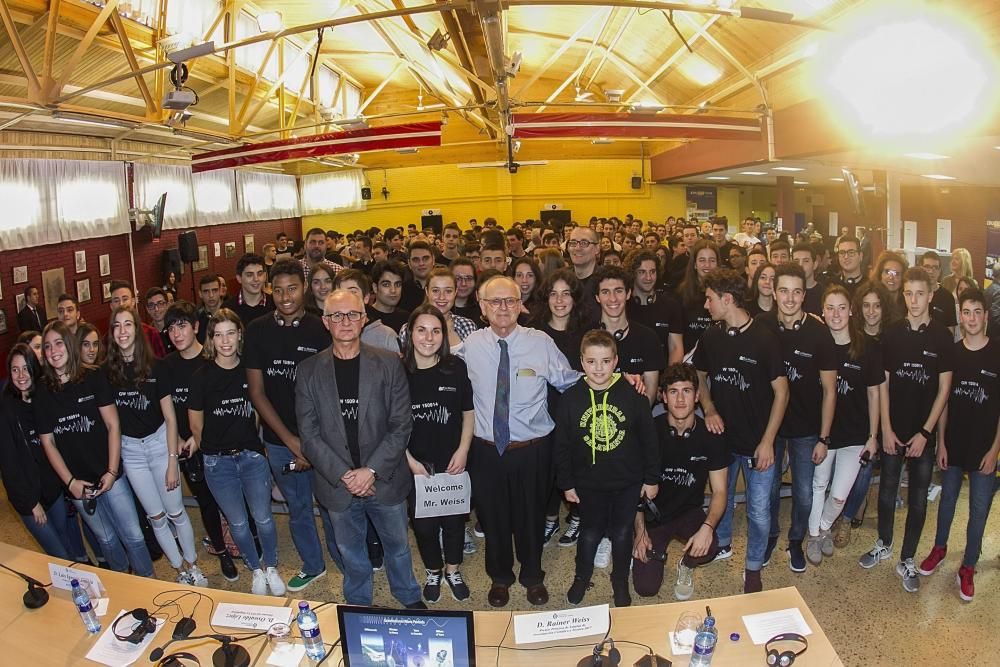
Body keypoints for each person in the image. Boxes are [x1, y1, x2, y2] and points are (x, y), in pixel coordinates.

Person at [458, 275, 582, 608]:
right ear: (482, 307)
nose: (503, 308)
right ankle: (499, 578)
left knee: (531, 518)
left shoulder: (540, 342)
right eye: (495, 302)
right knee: (493, 518)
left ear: (520, 305)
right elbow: (434, 367)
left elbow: (568, 381)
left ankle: (532, 576)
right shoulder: (469, 346)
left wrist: (612, 379)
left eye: (510, 301)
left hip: (533, 450)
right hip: (486, 451)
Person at [296, 290, 424, 608]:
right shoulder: (309, 371)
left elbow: (401, 425)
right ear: (325, 322)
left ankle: (407, 595)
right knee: (350, 551)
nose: (345, 321)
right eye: (337, 315)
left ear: (364, 318)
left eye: (353, 314)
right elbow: (309, 436)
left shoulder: (388, 364)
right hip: (336, 483)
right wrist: (345, 475)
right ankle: (358, 602)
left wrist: (370, 471)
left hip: (385, 478)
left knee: (397, 546)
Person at [244, 260, 343, 593]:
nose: (286, 296)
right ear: (270, 290)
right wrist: (290, 441)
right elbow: (257, 393)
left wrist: (311, 443)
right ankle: (313, 565)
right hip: (278, 440)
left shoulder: (320, 328)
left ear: (305, 288)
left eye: (293, 288)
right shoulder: (257, 330)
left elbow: (332, 390)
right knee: (299, 507)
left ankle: (344, 560)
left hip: (323, 440)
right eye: (279, 289)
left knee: (332, 506)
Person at [858, 268, 953, 593]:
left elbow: (944, 389)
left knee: (918, 500)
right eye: (908, 294)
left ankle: (908, 558)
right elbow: (882, 383)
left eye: (920, 294)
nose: (914, 300)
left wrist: (926, 434)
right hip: (893, 431)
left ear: (930, 294)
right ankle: (883, 542)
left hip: (922, 436)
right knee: (885, 492)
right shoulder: (893, 333)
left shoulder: (942, 336)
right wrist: (885, 428)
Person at [693, 269, 788, 593]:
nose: (706, 305)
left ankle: (753, 566)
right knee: (724, 498)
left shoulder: (765, 338)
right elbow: (700, 376)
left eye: (710, 299)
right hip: (722, 441)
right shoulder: (711, 336)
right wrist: (709, 409)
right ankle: (722, 544)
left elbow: (782, 393)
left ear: (727, 300)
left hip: (757, 445)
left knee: (759, 512)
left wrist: (767, 442)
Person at [35, 321, 154, 576]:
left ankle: (149, 581)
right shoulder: (42, 392)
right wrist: (70, 483)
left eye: (58, 343)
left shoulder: (93, 377)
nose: (53, 350)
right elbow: (48, 442)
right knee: (108, 540)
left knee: (133, 535)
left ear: (69, 345)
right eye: (47, 346)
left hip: (110, 474)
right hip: (79, 485)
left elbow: (113, 425)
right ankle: (123, 581)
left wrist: (111, 472)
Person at [554, 330, 659, 607]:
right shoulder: (570, 399)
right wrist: (566, 483)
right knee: (589, 532)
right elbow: (561, 446)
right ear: (581, 362)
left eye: (604, 361)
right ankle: (581, 577)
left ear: (615, 361)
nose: (598, 368)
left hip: (628, 482)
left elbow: (649, 439)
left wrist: (651, 478)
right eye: (591, 361)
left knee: (623, 533)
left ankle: (620, 581)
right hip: (588, 484)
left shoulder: (634, 397)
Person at [105, 306, 206, 585]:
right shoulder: (107, 373)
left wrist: (173, 461)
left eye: (128, 324)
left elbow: (171, 418)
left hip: (161, 445)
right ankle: (179, 570)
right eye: (117, 326)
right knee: (157, 517)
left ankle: (194, 565)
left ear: (138, 330)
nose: (123, 331)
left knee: (176, 512)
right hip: (132, 452)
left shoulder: (157, 367)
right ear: (112, 333)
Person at [189, 309, 285, 596]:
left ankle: (271, 567)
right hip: (218, 463)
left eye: (230, 333)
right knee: (239, 523)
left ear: (240, 335)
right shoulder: (202, 375)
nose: (225, 341)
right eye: (218, 335)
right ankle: (255, 569)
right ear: (211, 340)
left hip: (251, 457)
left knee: (264, 517)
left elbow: (259, 412)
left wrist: (256, 447)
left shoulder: (250, 370)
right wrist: (212, 452)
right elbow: (196, 424)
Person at [917, 288, 999, 601]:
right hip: (952, 445)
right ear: (960, 316)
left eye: (978, 312)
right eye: (967, 312)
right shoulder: (952, 353)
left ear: (986, 316)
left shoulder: (997, 352)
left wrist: (994, 450)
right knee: (947, 501)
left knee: (979, 509)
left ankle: (969, 564)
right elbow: (944, 400)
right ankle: (939, 548)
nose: (972, 318)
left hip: (984, 449)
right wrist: (940, 442)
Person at [757, 263, 837, 572]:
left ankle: (795, 541)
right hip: (770, 428)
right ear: (774, 293)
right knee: (770, 489)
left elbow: (831, 390)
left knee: (804, 493)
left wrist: (824, 437)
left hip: (806, 428)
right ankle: (771, 537)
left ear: (805, 295)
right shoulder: (761, 325)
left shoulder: (819, 333)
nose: (790, 299)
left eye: (796, 292)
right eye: (784, 291)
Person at [633, 363, 729, 600]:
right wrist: (640, 530)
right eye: (673, 392)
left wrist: (707, 529)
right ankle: (638, 546)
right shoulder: (649, 433)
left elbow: (719, 491)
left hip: (689, 512)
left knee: (711, 545)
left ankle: (685, 565)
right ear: (663, 397)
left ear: (697, 396)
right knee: (645, 589)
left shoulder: (712, 436)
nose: (680, 400)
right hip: (653, 517)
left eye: (686, 391)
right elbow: (633, 489)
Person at [402, 304, 474, 603]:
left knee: (455, 523)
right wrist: (409, 461)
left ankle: (453, 570)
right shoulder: (398, 372)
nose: (428, 337)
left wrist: (463, 450)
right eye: (422, 330)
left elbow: (468, 413)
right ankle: (433, 570)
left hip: (452, 463)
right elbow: (388, 424)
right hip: (416, 467)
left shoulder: (455, 367)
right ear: (410, 334)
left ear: (443, 335)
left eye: (435, 331)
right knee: (425, 526)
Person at [161, 301, 238, 580]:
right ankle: (222, 551)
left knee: (232, 499)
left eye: (182, 325)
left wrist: (198, 436)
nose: (177, 333)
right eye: (171, 328)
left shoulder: (211, 360)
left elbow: (220, 406)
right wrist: (184, 439)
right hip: (186, 448)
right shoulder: (166, 366)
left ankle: (244, 543)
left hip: (217, 443)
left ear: (195, 327)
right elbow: (167, 409)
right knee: (205, 501)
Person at [806, 286, 882, 564]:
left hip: (854, 435)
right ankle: (814, 535)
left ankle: (825, 527)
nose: (836, 314)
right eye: (830, 308)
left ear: (851, 310)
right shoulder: (816, 344)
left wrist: (873, 436)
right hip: (823, 433)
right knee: (818, 485)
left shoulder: (867, 347)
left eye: (841, 307)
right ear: (822, 312)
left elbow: (874, 393)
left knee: (839, 495)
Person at [0, 343, 87, 561]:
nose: (21, 376)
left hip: (53, 490)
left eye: (26, 368)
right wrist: (31, 503)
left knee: (65, 540)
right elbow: (9, 465)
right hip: (29, 498)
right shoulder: (6, 409)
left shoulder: (43, 399)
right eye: (15, 369)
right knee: (59, 554)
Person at [594, 265, 664, 406]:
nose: (613, 298)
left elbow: (649, 395)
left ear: (628, 294)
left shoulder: (648, 337)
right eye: (605, 292)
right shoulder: (585, 337)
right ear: (597, 297)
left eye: (618, 291)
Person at [626, 250, 685, 365]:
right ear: (633, 273)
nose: (648, 277)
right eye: (642, 272)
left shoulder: (671, 305)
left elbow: (676, 348)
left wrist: (669, 379)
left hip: (661, 376)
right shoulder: (622, 305)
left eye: (652, 272)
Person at [398, 268, 478, 351]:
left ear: (455, 292)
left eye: (448, 291)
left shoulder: (468, 326)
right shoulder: (409, 329)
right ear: (427, 292)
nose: (442, 297)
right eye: (435, 291)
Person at [334, 270, 402, 355]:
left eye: (352, 292)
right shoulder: (333, 331)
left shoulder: (386, 336)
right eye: (340, 293)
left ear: (366, 298)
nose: (346, 298)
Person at [678, 239, 720, 355]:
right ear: (695, 264)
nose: (707, 265)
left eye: (712, 260)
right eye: (702, 260)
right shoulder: (681, 293)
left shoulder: (726, 294)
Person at [223, 253, 274, 326]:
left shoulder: (275, 305)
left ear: (265, 276)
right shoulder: (227, 309)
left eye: (259, 274)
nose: (256, 279)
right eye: (249, 275)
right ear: (239, 278)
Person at [567, 227, 601, 322]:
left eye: (584, 243)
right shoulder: (561, 279)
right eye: (573, 243)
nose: (577, 248)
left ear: (597, 248)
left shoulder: (606, 281)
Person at [368, 260, 411, 333]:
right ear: (375, 287)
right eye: (386, 285)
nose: (393, 290)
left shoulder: (407, 318)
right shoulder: (365, 318)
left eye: (397, 285)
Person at [871, 251, 908, 323]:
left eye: (896, 274)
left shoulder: (908, 303)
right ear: (880, 274)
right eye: (887, 272)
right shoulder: (870, 299)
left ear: (903, 278)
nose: (891, 277)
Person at [791, 243, 826, 316]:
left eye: (806, 261)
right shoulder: (788, 293)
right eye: (796, 261)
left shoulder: (824, 294)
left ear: (815, 264)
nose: (800, 265)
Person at [451, 259, 482, 326]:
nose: (463, 283)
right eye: (458, 278)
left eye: (469, 278)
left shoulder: (482, 310)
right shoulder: (442, 309)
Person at [511, 256, 541, 325]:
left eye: (530, 275)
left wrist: (526, 316)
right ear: (513, 278)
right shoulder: (505, 302)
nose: (524, 280)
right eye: (519, 275)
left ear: (536, 278)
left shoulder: (544, 306)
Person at [144, 287, 174, 355]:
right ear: (147, 309)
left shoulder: (176, 330)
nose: (156, 309)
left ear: (167, 305)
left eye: (160, 303)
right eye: (151, 305)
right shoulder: (146, 337)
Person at [195, 275, 223, 343]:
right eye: (206, 291)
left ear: (220, 291)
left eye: (214, 290)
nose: (211, 295)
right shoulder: (197, 320)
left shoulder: (232, 313)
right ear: (200, 294)